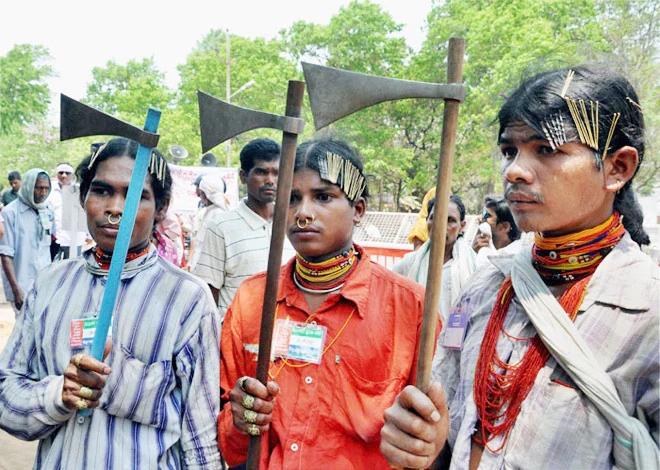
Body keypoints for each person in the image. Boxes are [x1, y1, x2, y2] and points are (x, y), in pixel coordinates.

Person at [380, 65, 659, 469]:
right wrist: (424, 446)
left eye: (546, 149)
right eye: (510, 151)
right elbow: (451, 434)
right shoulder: (487, 284)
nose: (513, 170)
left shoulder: (649, 309)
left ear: (618, 168)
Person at [0, 138, 222, 468]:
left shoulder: (187, 299)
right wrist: (60, 394)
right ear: (83, 198)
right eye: (102, 191)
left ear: (161, 208)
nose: (116, 208)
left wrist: (121, 380)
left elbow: (201, 437)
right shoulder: (49, 284)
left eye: (135, 196)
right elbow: (7, 397)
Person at [218, 137, 438, 469]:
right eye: (292, 198)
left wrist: (425, 443)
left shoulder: (411, 308)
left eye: (323, 197)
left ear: (358, 210)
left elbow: (430, 437)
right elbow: (229, 442)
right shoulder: (253, 299)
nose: (303, 213)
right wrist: (240, 418)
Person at [192, 137, 294, 319]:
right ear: (243, 176)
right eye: (261, 172)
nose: (270, 180)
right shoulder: (221, 226)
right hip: (234, 332)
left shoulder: (292, 223)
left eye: (276, 173)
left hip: (282, 331)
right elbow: (209, 291)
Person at [392, 194, 476, 322]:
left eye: (450, 220)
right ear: (427, 221)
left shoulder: (475, 266)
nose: (441, 225)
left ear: (461, 226)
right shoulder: (409, 264)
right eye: (434, 217)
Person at [0, 168, 54, 314]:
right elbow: (5, 255)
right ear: (29, 186)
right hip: (21, 284)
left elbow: (50, 247)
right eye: (39, 188)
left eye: (46, 188)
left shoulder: (47, 211)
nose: (43, 193)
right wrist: (16, 289)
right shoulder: (10, 213)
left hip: (43, 283)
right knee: (24, 326)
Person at [47, 162, 89, 260]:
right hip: (53, 237)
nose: (64, 175)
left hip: (74, 238)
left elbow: (86, 212)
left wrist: (88, 235)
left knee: (71, 265)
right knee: (51, 264)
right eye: (61, 172)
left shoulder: (79, 190)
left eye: (67, 173)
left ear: (72, 175)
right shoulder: (49, 189)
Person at [187, 173, 229, 271]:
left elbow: (202, 244)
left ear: (206, 194)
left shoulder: (216, 213)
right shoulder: (211, 211)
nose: (199, 195)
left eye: (201, 193)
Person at [472, 194, 524, 267]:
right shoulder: (481, 250)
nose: (480, 219)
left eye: (487, 215)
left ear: (505, 226)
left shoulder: (516, 257)